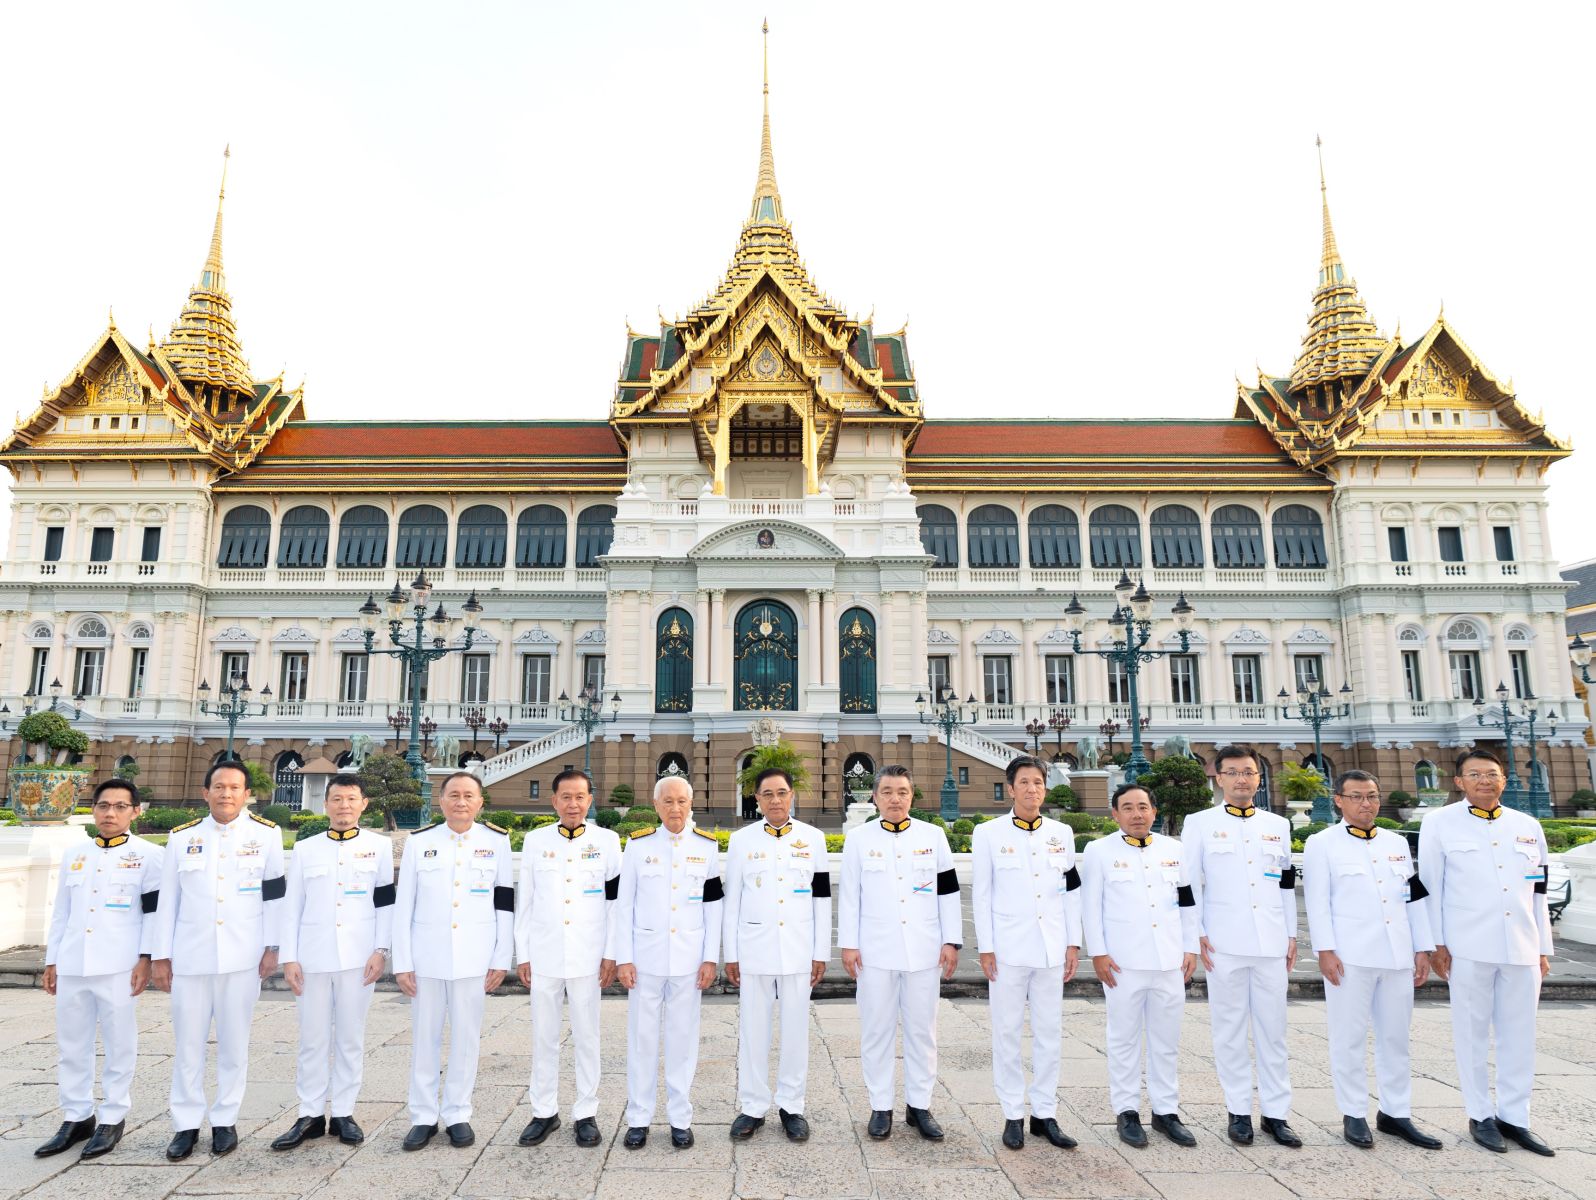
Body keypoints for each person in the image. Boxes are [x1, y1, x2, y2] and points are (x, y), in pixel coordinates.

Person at [1420, 748, 1555, 1156]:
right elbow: (1430, 888)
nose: (1484, 780)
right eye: (1475, 774)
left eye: (1492, 774)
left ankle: (1515, 1117)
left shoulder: (1527, 825)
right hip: (1468, 946)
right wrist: (1436, 944)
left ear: (1503, 780)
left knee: (1520, 1035)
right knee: (1472, 1033)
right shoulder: (1439, 823)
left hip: (1522, 945)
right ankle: (1480, 1115)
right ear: (1459, 781)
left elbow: (1539, 891)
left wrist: (1542, 948)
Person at [151, 759, 286, 1160]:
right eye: (219, 787)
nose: (226, 794)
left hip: (243, 956)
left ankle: (225, 1119)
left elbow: (274, 896)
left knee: (234, 1044)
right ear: (205, 792)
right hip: (190, 957)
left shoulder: (267, 834)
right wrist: (161, 956)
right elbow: (168, 901)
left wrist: (273, 947)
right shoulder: (182, 838)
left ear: (247, 794)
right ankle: (186, 1124)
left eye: (234, 788)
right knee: (188, 1044)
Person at [1304, 769, 1441, 1150]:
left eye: (1372, 796)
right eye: (1357, 797)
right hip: (1351, 956)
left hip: (1397, 954)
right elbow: (1317, 901)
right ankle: (1353, 1112)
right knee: (1348, 1037)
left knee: (1396, 1038)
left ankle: (1396, 1112)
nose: (1366, 804)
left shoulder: (1396, 842)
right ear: (1339, 800)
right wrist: (1325, 950)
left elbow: (1413, 897)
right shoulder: (1322, 843)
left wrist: (1422, 947)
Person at [36, 778, 164, 1160]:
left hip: (119, 965)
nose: (110, 813)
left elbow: (153, 914)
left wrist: (146, 958)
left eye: (120, 806)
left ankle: (112, 1117)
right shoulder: (76, 854)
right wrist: (52, 960)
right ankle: (77, 1116)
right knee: (71, 1044)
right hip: (74, 961)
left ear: (135, 811)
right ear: (93, 809)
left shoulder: (149, 855)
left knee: (119, 1043)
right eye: (104, 805)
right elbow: (62, 912)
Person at [1181, 745, 1301, 1148]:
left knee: (1274, 1032)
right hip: (1223, 941)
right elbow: (1188, 883)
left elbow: (1286, 882)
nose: (1241, 779)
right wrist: (1195, 933)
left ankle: (1276, 1114)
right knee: (1229, 1030)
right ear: (1218, 778)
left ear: (1258, 778)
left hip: (1270, 941)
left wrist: (1291, 933)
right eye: (1232, 772)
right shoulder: (1200, 823)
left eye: (1248, 772)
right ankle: (1238, 1112)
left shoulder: (1277, 825)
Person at [270, 773, 395, 1150]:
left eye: (351, 799)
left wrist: (381, 950)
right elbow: (292, 905)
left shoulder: (378, 847)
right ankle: (309, 1114)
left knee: (350, 1037)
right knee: (312, 1038)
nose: (344, 806)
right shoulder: (306, 848)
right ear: (325, 805)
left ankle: (343, 1112)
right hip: (312, 957)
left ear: (363, 804)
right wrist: (289, 957)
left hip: (360, 958)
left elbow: (385, 902)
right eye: (337, 799)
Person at [837, 765, 961, 1141]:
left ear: (912, 796)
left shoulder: (933, 836)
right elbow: (850, 895)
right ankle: (881, 1106)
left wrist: (952, 941)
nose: (895, 799)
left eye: (902, 792)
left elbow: (948, 891)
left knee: (923, 1032)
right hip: (874, 951)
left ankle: (919, 1106)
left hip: (924, 949)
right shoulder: (859, 839)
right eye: (888, 792)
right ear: (875, 797)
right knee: (877, 1031)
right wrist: (848, 944)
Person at [392, 771, 513, 1151]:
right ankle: (423, 1117)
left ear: (480, 802)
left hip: (475, 957)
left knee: (466, 1039)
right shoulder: (420, 842)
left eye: (468, 796)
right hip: (426, 957)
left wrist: (501, 957)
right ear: (441, 801)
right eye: (454, 795)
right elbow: (404, 904)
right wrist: (402, 962)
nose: (461, 802)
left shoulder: (497, 842)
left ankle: (458, 1113)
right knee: (424, 1039)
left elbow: (504, 903)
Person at [971, 754, 1082, 1151]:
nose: (1032, 789)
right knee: (1007, 1033)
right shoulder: (989, 833)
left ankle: (1045, 1114)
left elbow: (1071, 890)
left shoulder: (1061, 832)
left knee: (1049, 1033)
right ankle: (1013, 1114)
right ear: (1011, 789)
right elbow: (981, 894)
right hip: (1008, 949)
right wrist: (986, 947)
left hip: (1051, 947)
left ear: (1045, 789)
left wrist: (1073, 942)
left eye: (1038, 782)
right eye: (1024, 783)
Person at [1080, 782, 1199, 1150]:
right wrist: (1098, 953)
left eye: (1143, 807)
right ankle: (1127, 1111)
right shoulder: (1099, 851)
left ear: (1154, 812)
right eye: (1128, 808)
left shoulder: (1174, 850)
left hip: (1169, 961)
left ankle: (1166, 1112)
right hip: (1123, 963)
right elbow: (1090, 906)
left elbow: (1188, 901)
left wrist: (1190, 947)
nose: (1137, 814)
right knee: (1124, 1039)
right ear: (1115, 814)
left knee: (1166, 1041)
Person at [611, 775, 722, 1150]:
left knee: (682, 1041)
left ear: (691, 804)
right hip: (645, 960)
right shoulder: (638, 845)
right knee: (642, 1041)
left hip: (689, 960)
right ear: (656, 805)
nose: (675, 808)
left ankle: (680, 1118)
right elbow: (624, 905)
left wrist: (710, 957)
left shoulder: (707, 847)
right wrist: (624, 958)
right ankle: (638, 1119)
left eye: (681, 801)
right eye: (668, 801)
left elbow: (713, 907)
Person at [514, 768, 621, 1149]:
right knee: (544, 1036)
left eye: (580, 797)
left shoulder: (607, 842)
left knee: (587, 1036)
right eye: (566, 797)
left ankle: (586, 1112)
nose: (573, 804)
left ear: (590, 800)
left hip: (588, 954)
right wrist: (523, 953)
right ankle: (544, 1111)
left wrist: (611, 953)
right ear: (554, 801)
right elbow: (525, 901)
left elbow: (615, 903)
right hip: (544, 953)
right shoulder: (536, 841)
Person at [723, 766, 831, 1142]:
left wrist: (821, 952)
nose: (775, 800)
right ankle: (753, 1106)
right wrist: (731, 954)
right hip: (754, 948)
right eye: (767, 794)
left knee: (796, 1031)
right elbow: (732, 901)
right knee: (753, 1030)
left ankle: (792, 1105)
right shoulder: (742, 841)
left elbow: (821, 899)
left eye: (781, 792)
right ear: (757, 799)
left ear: (791, 795)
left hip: (799, 949)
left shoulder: (813, 839)